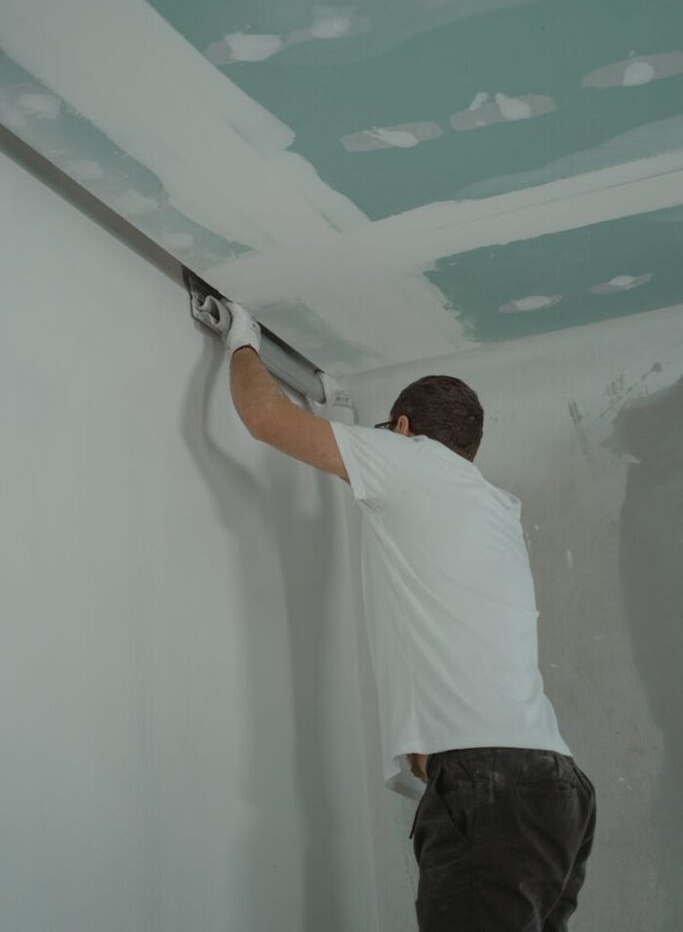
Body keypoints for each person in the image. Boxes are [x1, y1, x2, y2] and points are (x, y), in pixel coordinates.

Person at [193, 296, 598, 932]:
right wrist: (340, 414)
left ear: (403, 428)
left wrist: (242, 338)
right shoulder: (490, 505)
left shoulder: (410, 463)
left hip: (487, 785)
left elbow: (264, 418)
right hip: (557, 790)